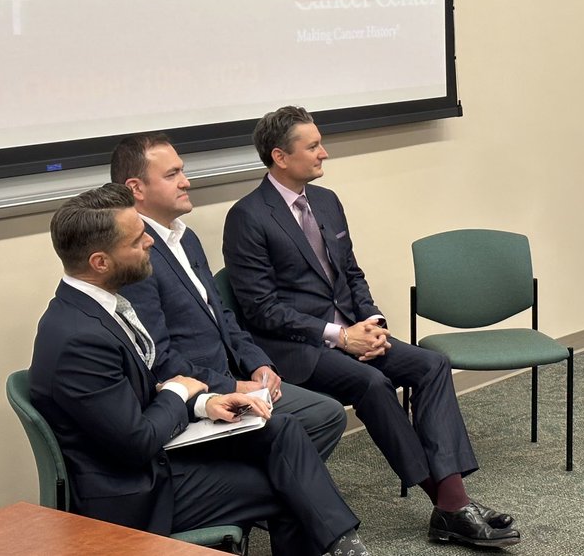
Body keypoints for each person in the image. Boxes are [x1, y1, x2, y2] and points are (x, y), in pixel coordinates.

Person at [223, 106, 521, 549]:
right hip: (300, 348)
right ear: (280, 156)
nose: (324, 153)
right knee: (373, 383)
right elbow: (261, 310)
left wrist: (373, 321)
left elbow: (351, 274)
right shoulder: (248, 216)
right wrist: (339, 336)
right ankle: (451, 503)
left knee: (432, 364)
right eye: (313, 146)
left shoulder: (326, 201)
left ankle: (451, 504)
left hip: (354, 332)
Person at [28, 183, 371, 556]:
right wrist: (180, 391)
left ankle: (344, 544)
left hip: (153, 455)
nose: (149, 243)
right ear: (100, 262)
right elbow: (136, 442)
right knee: (288, 486)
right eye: (136, 240)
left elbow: (139, 398)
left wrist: (203, 404)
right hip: (132, 492)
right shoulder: (78, 339)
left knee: (283, 430)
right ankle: (344, 545)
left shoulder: (100, 306)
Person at [110, 132, 347, 461]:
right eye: (172, 175)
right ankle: (269, 498)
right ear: (136, 188)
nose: (186, 182)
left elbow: (221, 314)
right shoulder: (136, 254)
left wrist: (258, 363)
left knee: (327, 414)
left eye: (182, 171)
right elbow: (159, 358)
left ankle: (273, 499)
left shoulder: (185, 237)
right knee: (314, 421)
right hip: (200, 395)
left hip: (234, 376)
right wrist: (232, 388)